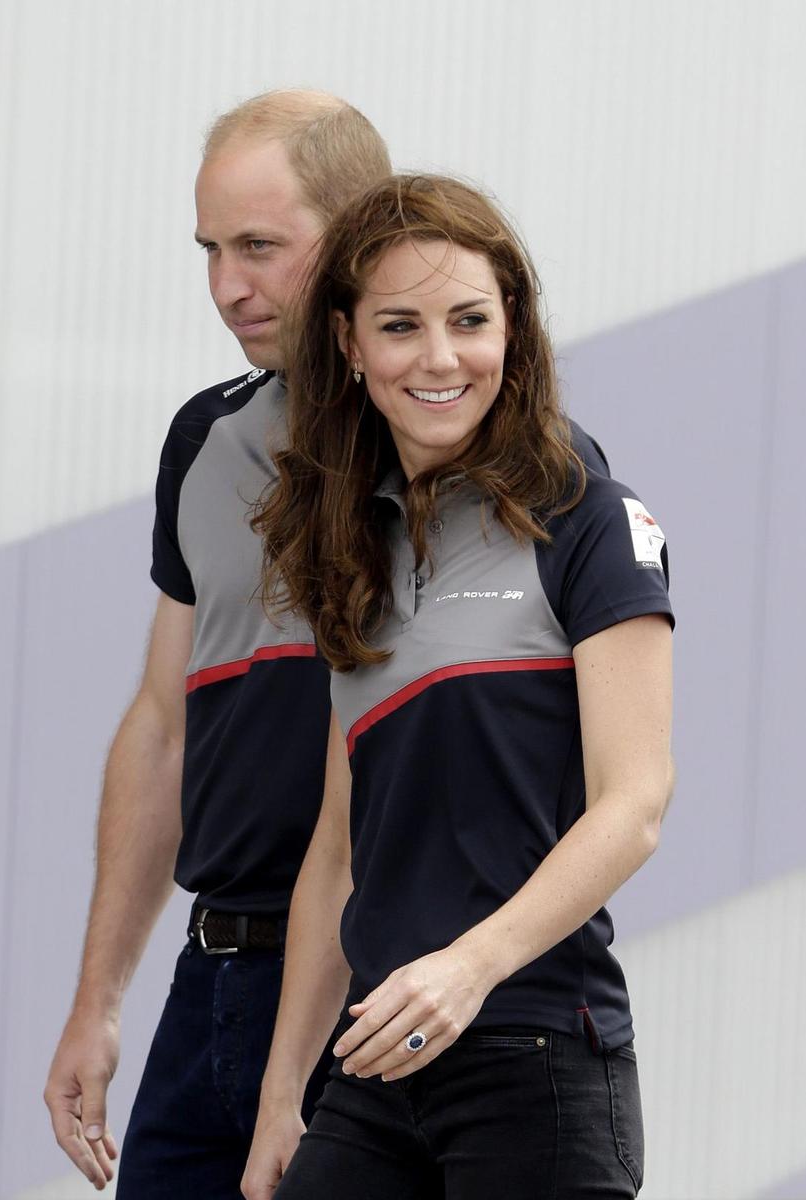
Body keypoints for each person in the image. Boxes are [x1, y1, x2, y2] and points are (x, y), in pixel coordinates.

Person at [243, 174, 674, 1199]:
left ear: (512, 331)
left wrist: (468, 967)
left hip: (536, 1055)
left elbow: (635, 804)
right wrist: (280, 1095)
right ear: (348, 345)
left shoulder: (591, 521)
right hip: (375, 1063)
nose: (439, 359)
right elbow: (339, 854)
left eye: (469, 320)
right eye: (400, 325)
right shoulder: (350, 557)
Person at [43, 90, 393, 1199]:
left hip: (378, 992)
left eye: (260, 248)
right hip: (217, 985)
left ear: (358, 237)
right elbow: (161, 727)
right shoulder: (205, 436)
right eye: (211, 250)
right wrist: (98, 1004)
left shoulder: (451, 433)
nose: (228, 287)